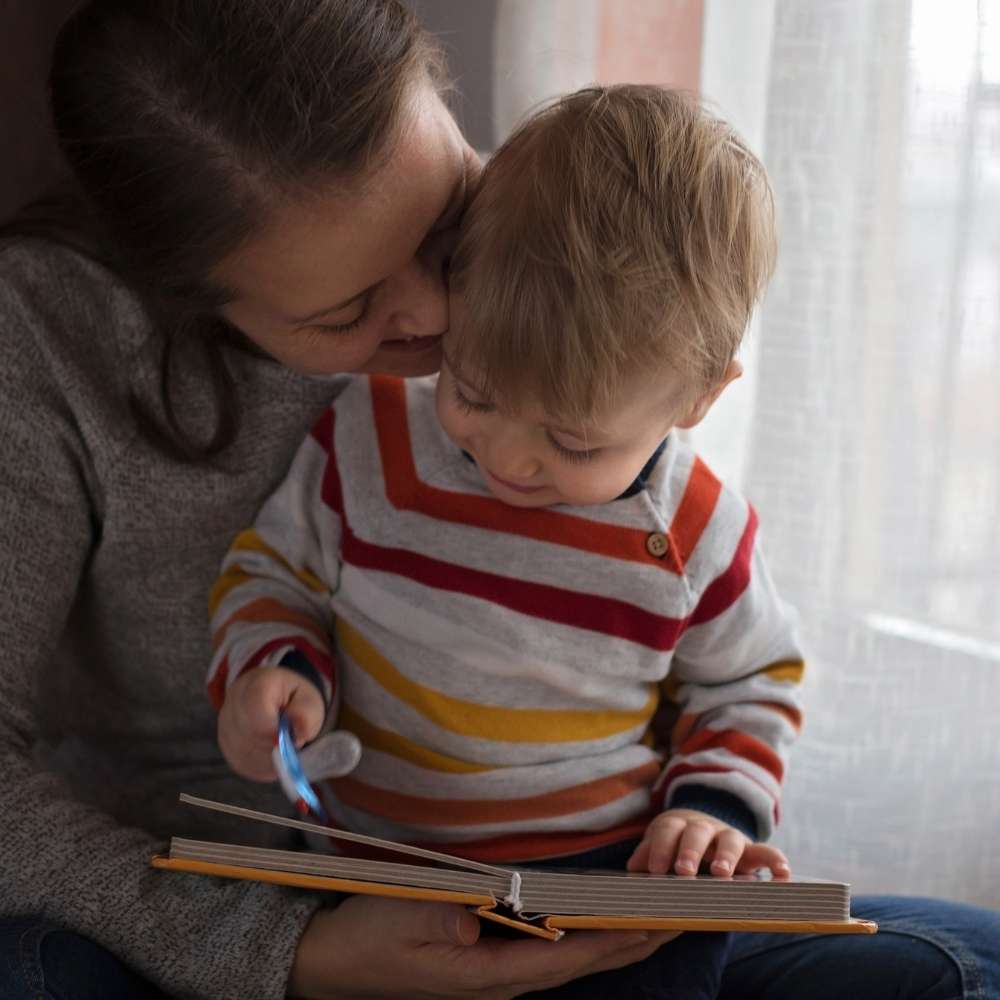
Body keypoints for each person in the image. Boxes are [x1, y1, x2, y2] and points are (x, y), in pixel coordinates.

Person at [0, 2, 997, 999]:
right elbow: (276, 577)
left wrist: (709, 819)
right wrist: (289, 956)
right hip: (242, 897)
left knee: (966, 963)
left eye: (447, 222)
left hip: (567, 890)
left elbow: (731, 662)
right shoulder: (69, 343)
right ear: (189, 300)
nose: (443, 317)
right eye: (350, 310)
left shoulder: (547, 226)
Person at [208, 84, 799, 1000]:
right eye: (474, 393)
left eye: (572, 441)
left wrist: (711, 810)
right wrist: (279, 665)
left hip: (599, 873)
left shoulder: (697, 532)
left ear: (696, 398)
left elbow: (753, 680)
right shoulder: (375, 436)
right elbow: (273, 568)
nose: (510, 460)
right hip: (371, 866)